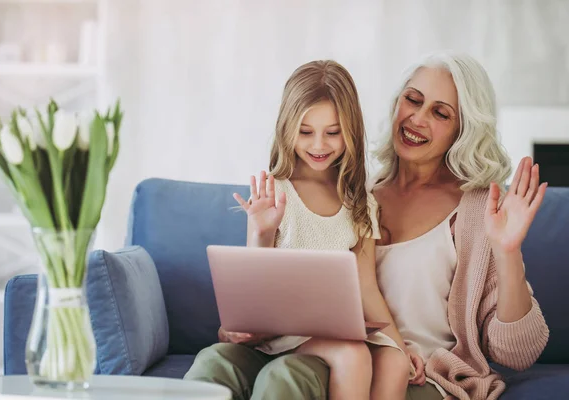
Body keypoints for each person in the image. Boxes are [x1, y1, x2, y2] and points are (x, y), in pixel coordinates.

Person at [184, 60, 420, 400]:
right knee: (214, 362)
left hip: (327, 336)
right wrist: (260, 231)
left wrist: (399, 344)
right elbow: (254, 281)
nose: (319, 145)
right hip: (275, 335)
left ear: (350, 130)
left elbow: (366, 286)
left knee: (378, 358)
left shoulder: (359, 202)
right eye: (306, 132)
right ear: (287, 128)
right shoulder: (276, 193)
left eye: (333, 132)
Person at [369, 51, 549, 399]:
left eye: (440, 113)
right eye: (413, 100)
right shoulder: (356, 195)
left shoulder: (479, 210)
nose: (418, 119)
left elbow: (518, 353)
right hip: (352, 366)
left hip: (425, 382)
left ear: (462, 130)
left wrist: (507, 251)